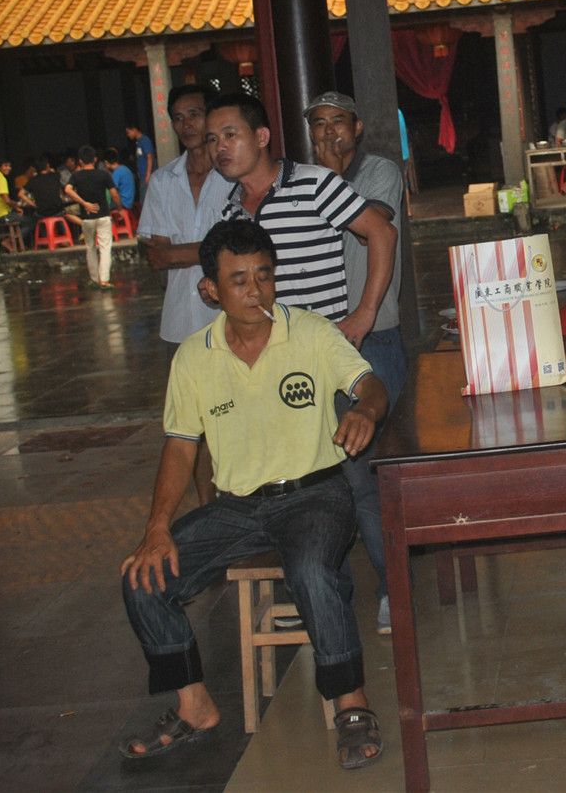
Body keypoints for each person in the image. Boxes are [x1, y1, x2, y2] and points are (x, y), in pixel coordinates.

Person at [117, 220, 386, 769]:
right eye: (238, 280)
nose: (255, 290)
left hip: (316, 494)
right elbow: (180, 448)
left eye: (264, 275)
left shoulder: (310, 332)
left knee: (310, 570)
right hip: (238, 507)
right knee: (143, 580)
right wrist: (157, 527)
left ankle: (351, 701)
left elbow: (370, 384)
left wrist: (365, 409)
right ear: (210, 290)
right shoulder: (193, 357)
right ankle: (194, 705)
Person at [307, 91, 409, 635]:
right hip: (318, 343)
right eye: (319, 124)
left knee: (371, 470)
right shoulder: (301, 180)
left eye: (338, 122)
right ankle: (334, 590)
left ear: (358, 126)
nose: (330, 133)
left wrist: (328, 177)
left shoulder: (380, 171)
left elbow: (372, 223)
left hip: (374, 337)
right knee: (331, 473)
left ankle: (394, 589)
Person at [207, 92, 396, 344]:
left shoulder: (313, 182)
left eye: (230, 135)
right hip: (271, 347)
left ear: (261, 137)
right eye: (212, 139)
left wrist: (365, 313)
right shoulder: (230, 209)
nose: (219, 147)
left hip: (322, 345)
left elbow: (383, 232)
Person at [138, 85, 235, 505]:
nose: (187, 124)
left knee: (237, 413)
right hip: (180, 320)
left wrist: (184, 251)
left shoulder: (232, 176)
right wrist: (215, 249)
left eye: (194, 114)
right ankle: (209, 509)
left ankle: (242, 500)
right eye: (178, 117)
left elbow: (242, 244)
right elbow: (155, 257)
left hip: (231, 318)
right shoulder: (164, 181)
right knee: (193, 423)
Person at [65, 144, 118, 288]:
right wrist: (119, 207)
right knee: (105, 248)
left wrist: (84, 203)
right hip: (103, 216)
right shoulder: (104, 174)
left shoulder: (76, 176)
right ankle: (104, 280)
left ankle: (94, 279)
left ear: (80, 161)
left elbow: (68, 190)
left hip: (87, 218)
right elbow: (114, 193)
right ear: (95, 159)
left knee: (90, 248)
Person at [104, 147, 137, 221]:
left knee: (100, 207)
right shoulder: (125, 168)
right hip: (129, 201)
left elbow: (114, 194)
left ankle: (110, 226)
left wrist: (120, 209)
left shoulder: (117, 173)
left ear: (106, 163)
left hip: (123, 203)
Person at [126, 123, 158, 187]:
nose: (128, 135)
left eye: (128, 132)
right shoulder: (138, 142)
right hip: (143, 175)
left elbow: (149, 157)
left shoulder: (145, 140)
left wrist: (148, 174)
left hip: (146, 175)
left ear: (134, 129)